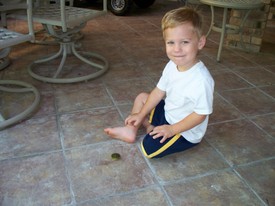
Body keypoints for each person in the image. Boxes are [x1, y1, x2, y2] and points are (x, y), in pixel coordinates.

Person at [104, 7, 214, 158]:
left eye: (184, 42)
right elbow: (158, 91)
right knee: (142, 97)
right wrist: (141, 114)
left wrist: (172, 130)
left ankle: (150, 126)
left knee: (148, 149)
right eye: (171, 42)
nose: (177, 49)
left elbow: (200, 115)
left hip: (184, 130)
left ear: (200, 42)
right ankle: (131, 129)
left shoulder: (201, 80)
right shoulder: (171, 65)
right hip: (168, 113)